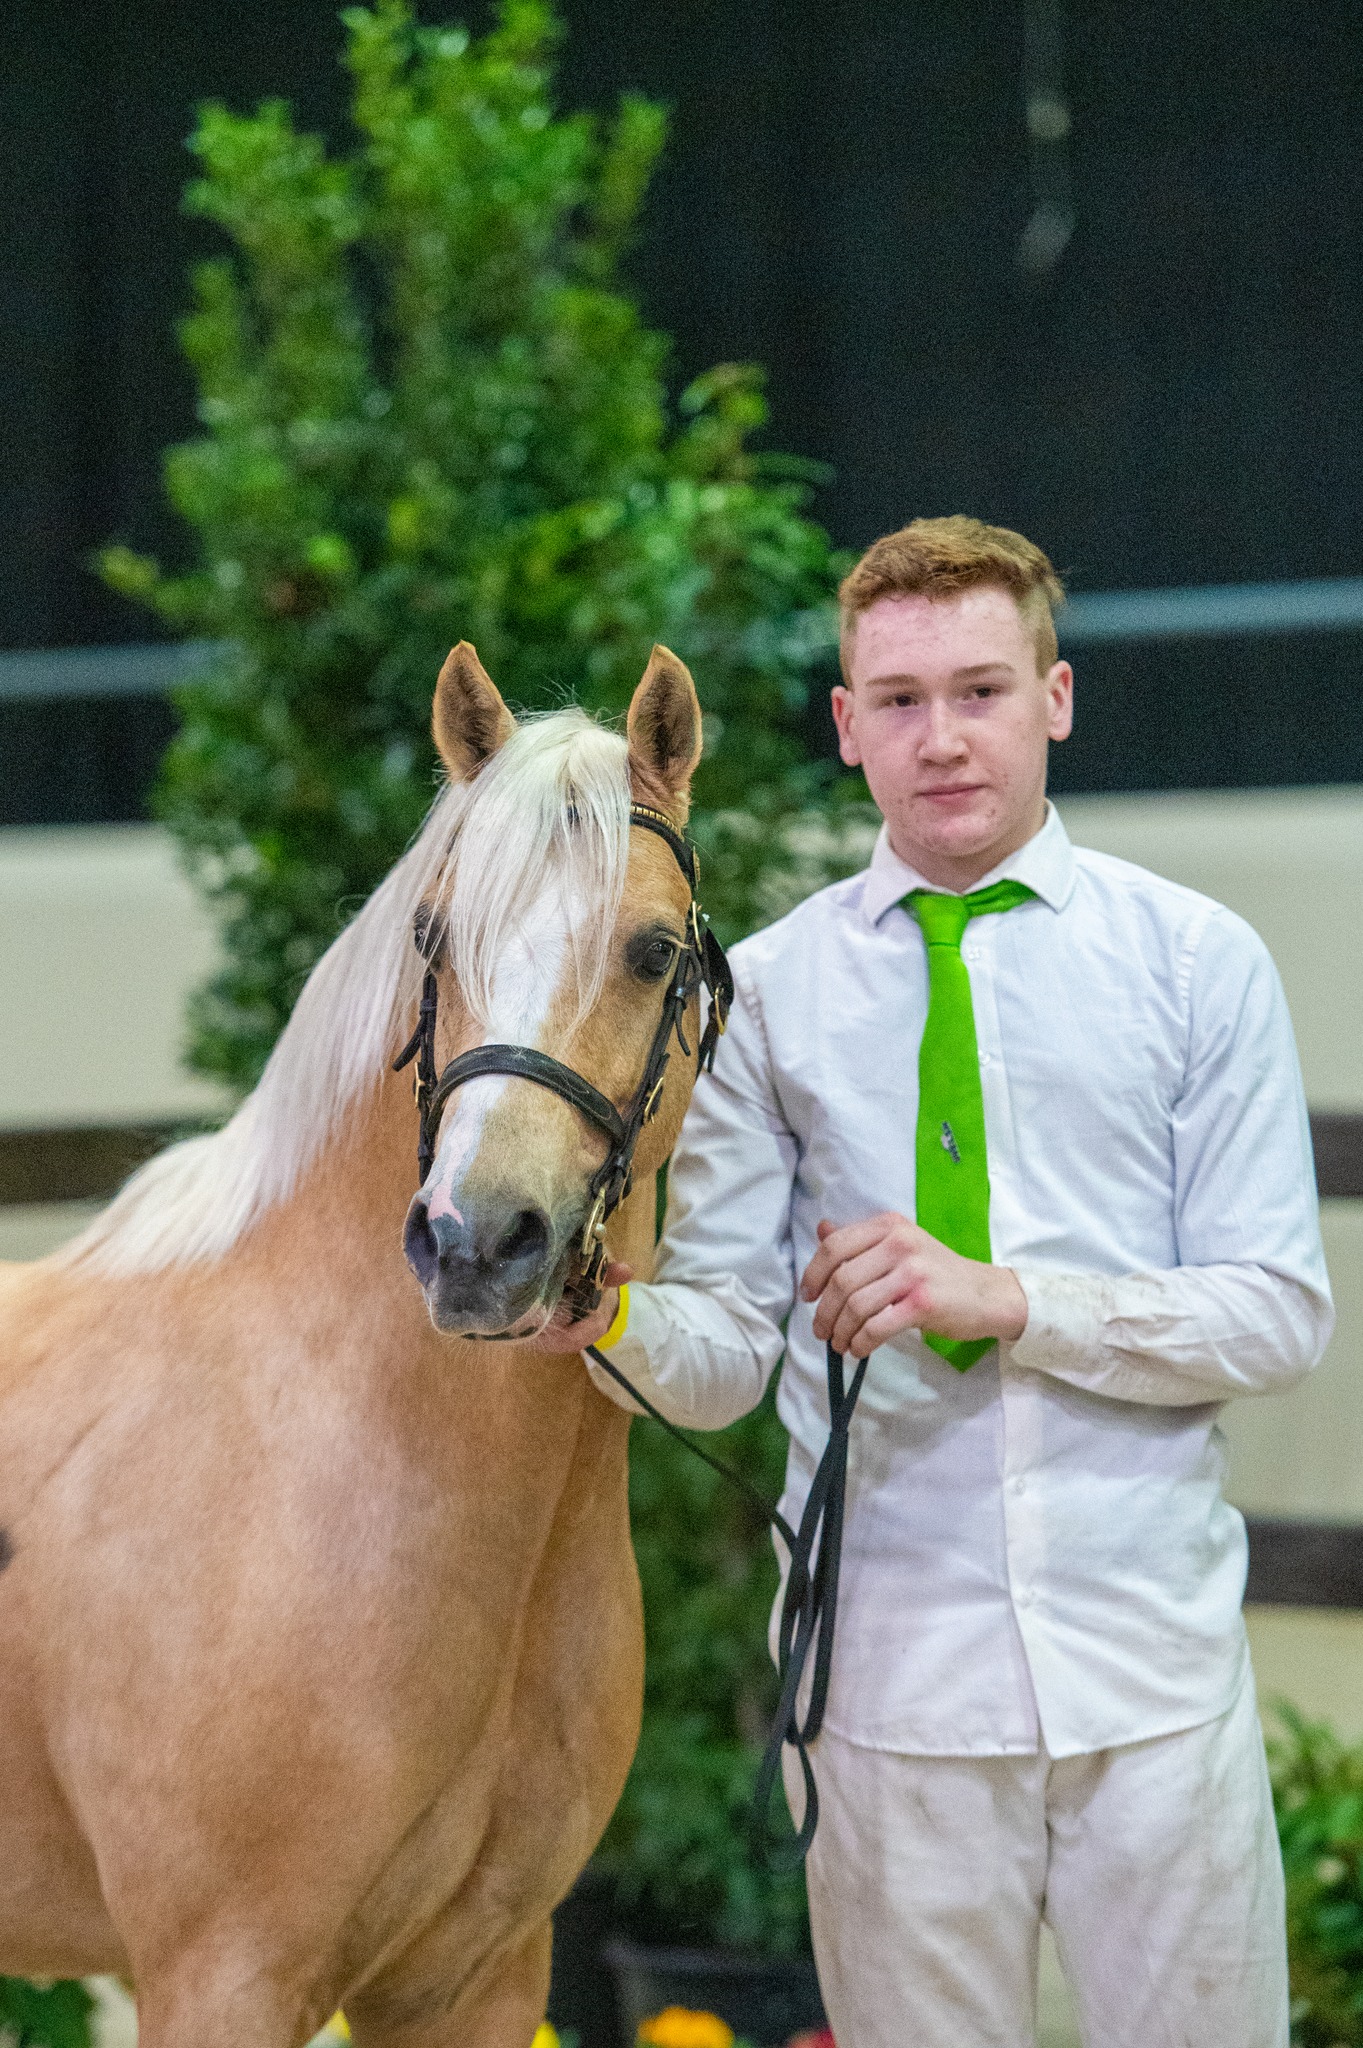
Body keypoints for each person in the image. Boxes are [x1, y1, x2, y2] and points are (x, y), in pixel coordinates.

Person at [536, 515, 1333, 2048]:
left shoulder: (1196, 963)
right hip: (889, 1694)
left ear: (1056, 699)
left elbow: (1279, 1311)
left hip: (1152, 1679)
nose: (942, 738)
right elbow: (729, 1353)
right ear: (847, 726)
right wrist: (605, 1315)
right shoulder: (766, 997)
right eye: (900, 701)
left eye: (980, 691)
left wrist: (1008, 1299)